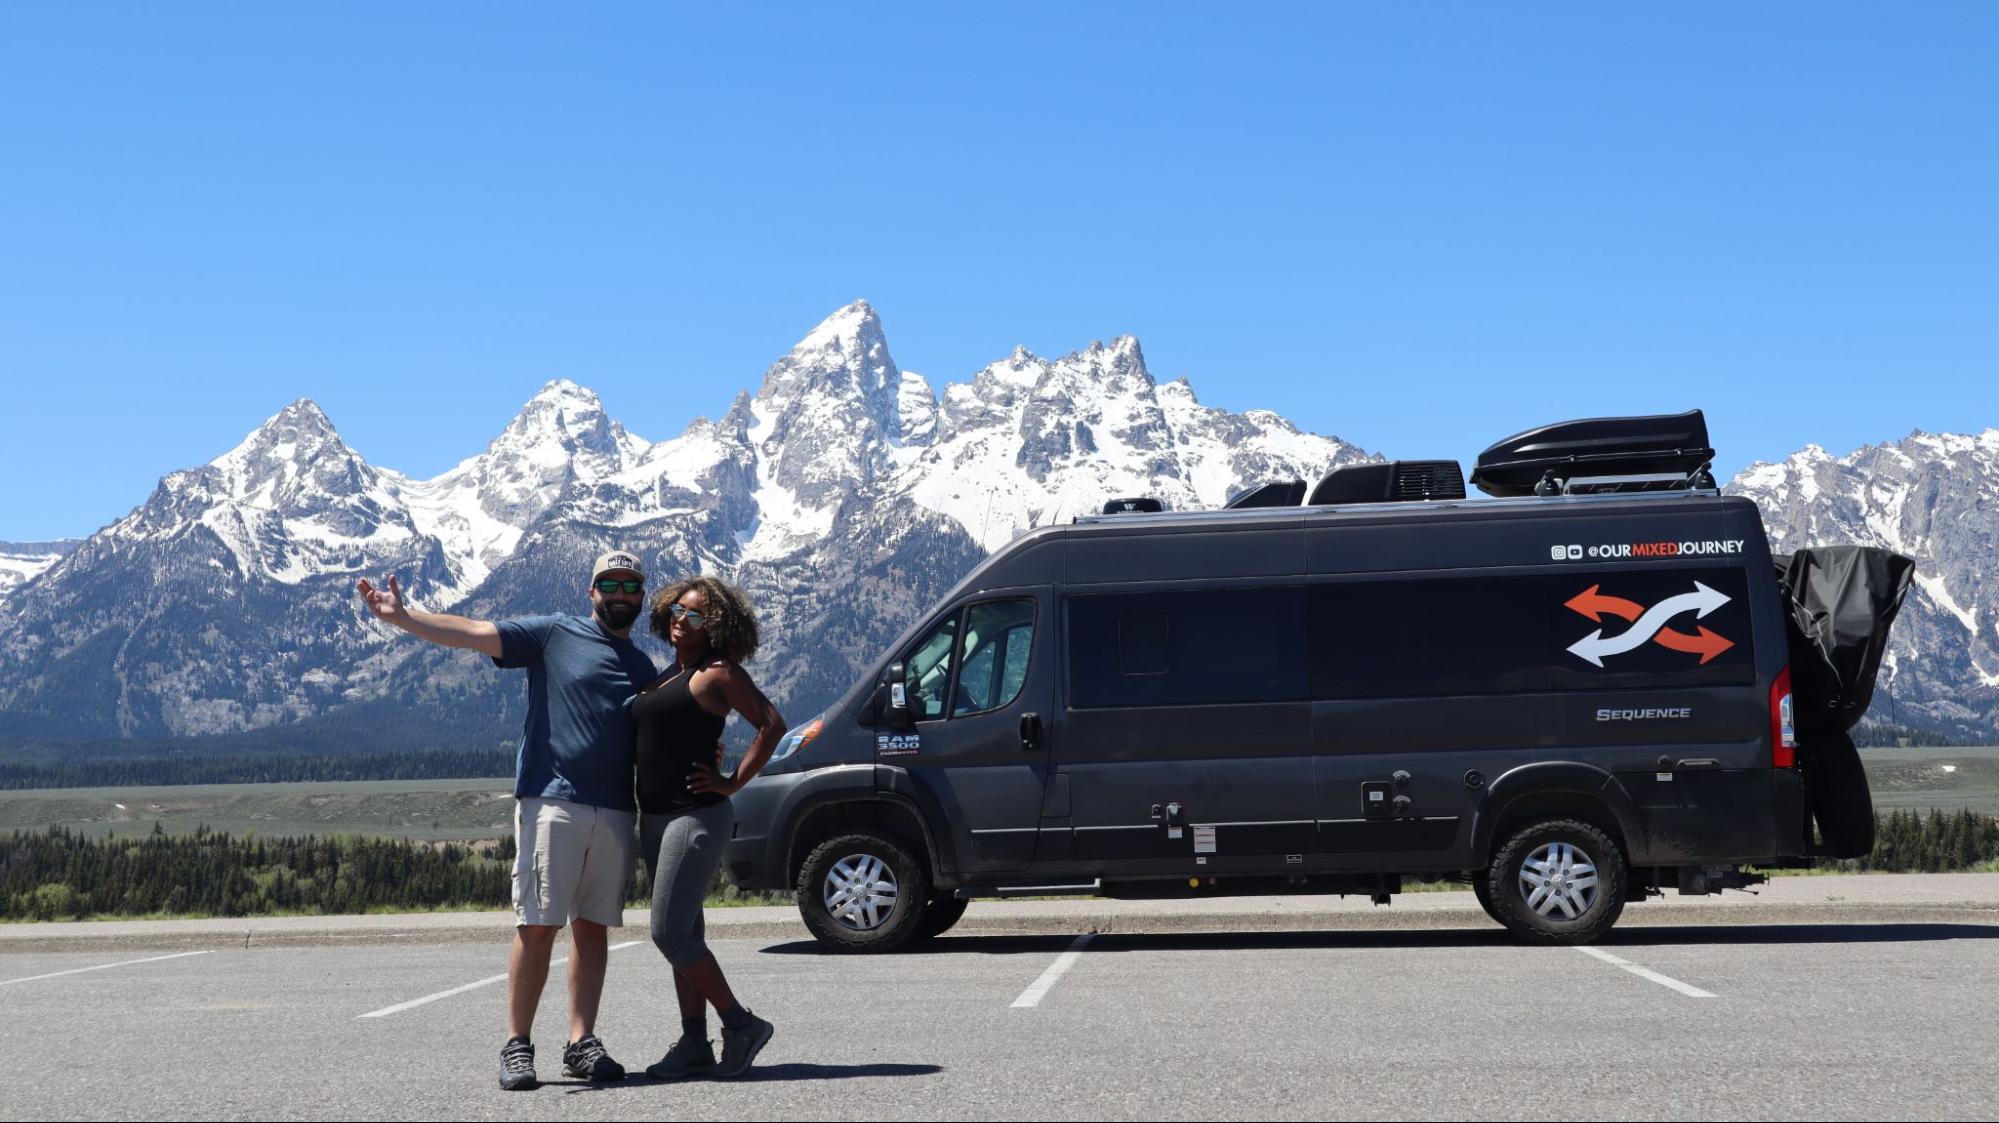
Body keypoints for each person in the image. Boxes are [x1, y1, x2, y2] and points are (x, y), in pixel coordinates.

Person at [357, 551, 658, 1091]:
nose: (618, 592)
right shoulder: (552, 634)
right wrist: (404, 618)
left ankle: (581, 1042)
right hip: (551, 801)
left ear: (639, 596)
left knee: (592, 929)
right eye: (608, 583)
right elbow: (473, 631)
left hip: (615, 808)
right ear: (591, 592)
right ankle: (517, 1044)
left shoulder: (642, 666)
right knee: (539, 923)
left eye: (629, 584)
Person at [629, 575, 788, 1081]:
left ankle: (740, 1024)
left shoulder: (719, 672)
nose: (682, 619)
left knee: (669, 933)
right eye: (677, 610)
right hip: (654, 819)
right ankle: (694, 1042)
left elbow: (771, 724)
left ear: (715, 625)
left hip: (693, 816)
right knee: (688, 932)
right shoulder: (667, 676)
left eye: (696, 615)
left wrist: (731, 782)